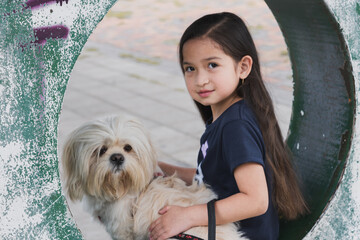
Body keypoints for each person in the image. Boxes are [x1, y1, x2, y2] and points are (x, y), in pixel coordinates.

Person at [149, 12, 308, 240]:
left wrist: (188, 215)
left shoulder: (236, 125)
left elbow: (255, 200)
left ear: (243, 67)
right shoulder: (225, 118)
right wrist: (162, 170)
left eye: (212, 65)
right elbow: (213, 178)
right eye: (190, 68)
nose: (200, 79)